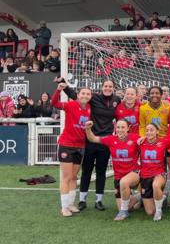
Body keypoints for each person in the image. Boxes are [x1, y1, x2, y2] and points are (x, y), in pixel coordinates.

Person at [62, 79, 121, 211]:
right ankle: (82, 200)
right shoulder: (93, 98)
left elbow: (122, 113)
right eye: (105, 86)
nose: (108, 88)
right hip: (90, 139)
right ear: (102, 87)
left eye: (110, 86)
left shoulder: (117, 100)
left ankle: (99, 201)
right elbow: (74, 95)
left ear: (114, 88)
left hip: (105, 141)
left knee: (101, 172)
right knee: (86, 171)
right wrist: (63, 84)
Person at [85, 119, 141, 221]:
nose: (120, 130)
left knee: (124, 183)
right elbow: (92, 138)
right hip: (118, 176)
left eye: (123, 127)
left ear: (128, 128)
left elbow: (147, 144)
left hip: (134, 172)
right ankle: (139, 197)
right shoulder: (111, 139)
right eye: (118, 127)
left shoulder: (135, 138)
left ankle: (124, 213)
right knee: (123, 206)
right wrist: (88, 128)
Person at [51, 83, 92, 217]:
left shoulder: (90, 108)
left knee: (74, 177)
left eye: (88, 94)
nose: (85, 96)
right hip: (67, 145)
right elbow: (54, 103)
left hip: (80, 146)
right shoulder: (71, 105)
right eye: (83, 93)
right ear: (78, 95)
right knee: (67, 177)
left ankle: (70, 204)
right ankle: (64, 207)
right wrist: (59, 89)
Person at [138, 123, 167, 221]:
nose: (149, 132)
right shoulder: (141, 142)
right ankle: (161, 197)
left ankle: (159, 210)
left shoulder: (164, 141)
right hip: (145, 176)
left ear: (157, 131)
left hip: (159, 174)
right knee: (150, 212)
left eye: (152, 130)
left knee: (155, 185)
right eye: (147, 130)